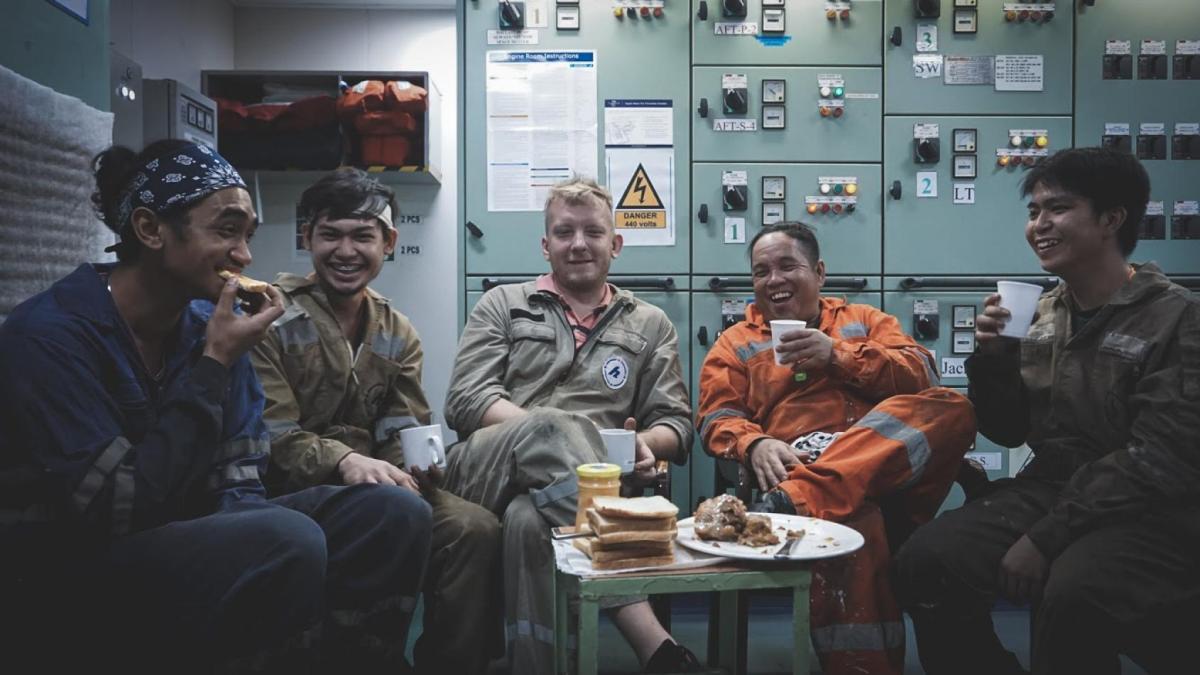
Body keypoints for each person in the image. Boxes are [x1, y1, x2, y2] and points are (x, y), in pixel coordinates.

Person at [0, 140, 432, 673]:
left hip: (192, 528)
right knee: (283, 537)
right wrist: (215, 365)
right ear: (151, 229)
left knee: (390, 513)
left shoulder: (207, 321)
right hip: (77, 567)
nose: (246, 256)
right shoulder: (50, 337)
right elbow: (116, 508)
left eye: (247, 235)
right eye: (226, 230)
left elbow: (240, 479)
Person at [894, 147, 1200, 675]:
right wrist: (993, 360)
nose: (1039, 225)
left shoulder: (1178, 318)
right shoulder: (1039, 314)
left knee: (1074, 592)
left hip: (1153, 507)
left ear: (1112, 219)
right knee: (926, 562)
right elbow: (1009, 430)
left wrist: (1045, 537)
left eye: (1057, 209)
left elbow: (1159, 459)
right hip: (1054, 486)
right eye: (1033, 212)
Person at [250, 167, 502, 675]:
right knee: (386, 514)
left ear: (389, 242)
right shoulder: (268, 317)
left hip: (377, 485)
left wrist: (415, 463)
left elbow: (401, 427)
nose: (347, 251)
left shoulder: (396, 329)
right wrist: (345, 461)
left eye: (363, 235)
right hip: (288, 491)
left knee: (472, 527)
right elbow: (270, 437)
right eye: (331, 234)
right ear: (307, 238)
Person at [696, 221, 977, 675]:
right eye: (761, 271)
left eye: (788, 266)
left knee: (955, 406)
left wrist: (837, 355)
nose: (774, 280)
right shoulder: (736, 343)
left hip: (880, 470)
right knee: (852, 522)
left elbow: (923, 375)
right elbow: (715, 417)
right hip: (803, 460)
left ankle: (810, 497)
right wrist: (755, 442)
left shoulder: (864, 321)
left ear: (820, 273)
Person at [443, 177, 699, 673]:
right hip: (485, 469)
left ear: (615, 244)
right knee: (549, 427)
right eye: (564, 232)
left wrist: (643, 446)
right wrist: (553, 432)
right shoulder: (503, 304)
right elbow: (467, 399)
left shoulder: (649, 324)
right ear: (546, 245)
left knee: (527, 518)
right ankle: (655, 645)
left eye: (593, 232)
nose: (579, 244)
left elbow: (676, 425)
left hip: (577, 489)